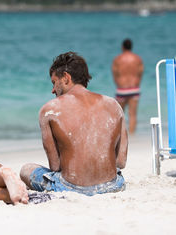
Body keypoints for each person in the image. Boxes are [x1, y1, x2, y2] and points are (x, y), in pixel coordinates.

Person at [20, 52, 128, 196]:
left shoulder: (49, 110)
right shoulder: (113, 105)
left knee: (26, 169)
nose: (53, 90)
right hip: (113, 185)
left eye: (54, 82)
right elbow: (120, 162)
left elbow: (55, 166)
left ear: (66, 77)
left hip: (72, 189)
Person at [111, 38, 144, 134]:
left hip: (122, 89)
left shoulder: (118, 59)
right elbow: (140, 73)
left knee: (119, 115)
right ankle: (132, 136)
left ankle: (120, 136)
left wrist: (118, 83)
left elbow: (115, 74)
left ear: (122, 47)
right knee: (133, 114)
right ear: (131, 47)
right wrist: (137, 83)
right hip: (134, 88)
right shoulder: (137, 59)